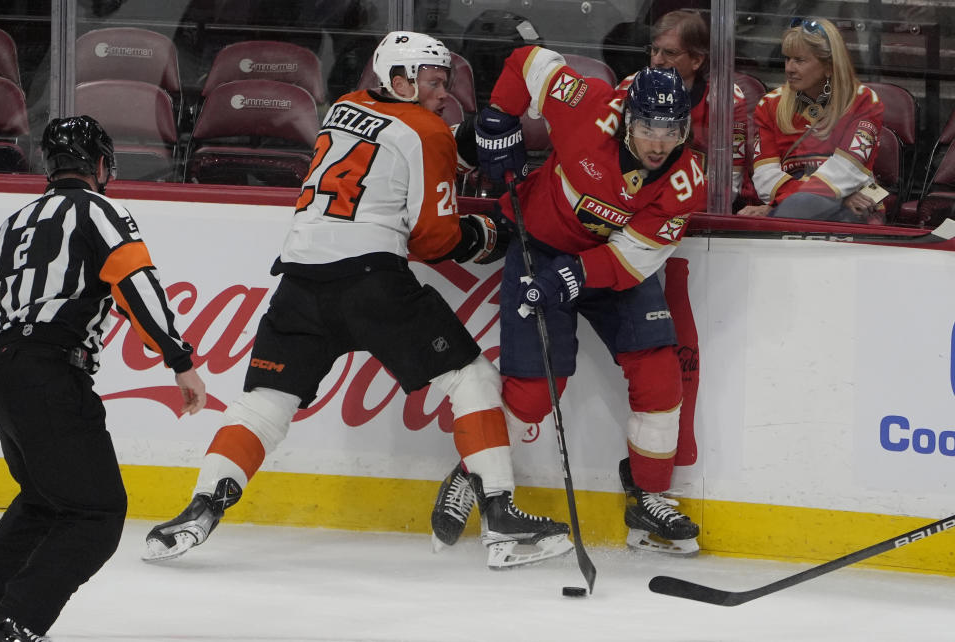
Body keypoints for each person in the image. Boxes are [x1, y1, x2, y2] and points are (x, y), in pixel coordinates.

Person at [143, 31, 571, 570]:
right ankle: (502, 521)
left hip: (298, 285)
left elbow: (392, 157)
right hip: (371, 284)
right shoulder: (426, 130)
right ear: (400, 80)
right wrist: (488, 235)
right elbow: (433, 239)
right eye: (435, 83)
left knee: (264, 405)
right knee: (472, 379)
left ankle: (200, 507)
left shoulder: (343, 107)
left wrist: (454, 146)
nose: (445, 95)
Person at [432, 52, 706, 556]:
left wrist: (577, 275)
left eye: (672, 131)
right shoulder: (587, 107)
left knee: (660, 374)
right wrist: (499, 115)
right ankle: (473, 475)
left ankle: (647, 499)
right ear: (627, 118)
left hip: (611, 267)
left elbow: (636, 258)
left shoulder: (685, 178)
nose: (659, 144)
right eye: (648, 128)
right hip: (541, 246)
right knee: (533, 394)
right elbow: (523, 60)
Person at [0, 115, 206, 642]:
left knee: (45, 499)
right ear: (100, 164)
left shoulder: (14, 221)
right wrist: (178, 358)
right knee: (97, 513)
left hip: (2, 369)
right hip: (49, 371)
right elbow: (136, 284)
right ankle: (16, 622)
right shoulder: (100, 209)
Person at [737, 18, 885, 221]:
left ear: (829, 67)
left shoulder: (863, 101)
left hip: (854, 204)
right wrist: (825, 199)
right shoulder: (770, 105)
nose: (789, 68)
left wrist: (782, 206)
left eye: (800, 60)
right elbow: (765, 177)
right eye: (787, 59)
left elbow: (846, 172)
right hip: (797, 203)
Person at [617, 9, 748, 205]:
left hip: (692, 212)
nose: (657, 60)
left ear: (697, 60)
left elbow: (726, 188)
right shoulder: (629, 88)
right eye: (654, 50)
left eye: (670, 53)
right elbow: (605, 160)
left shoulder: (726, 99)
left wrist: (669, 207)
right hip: (631, 203)